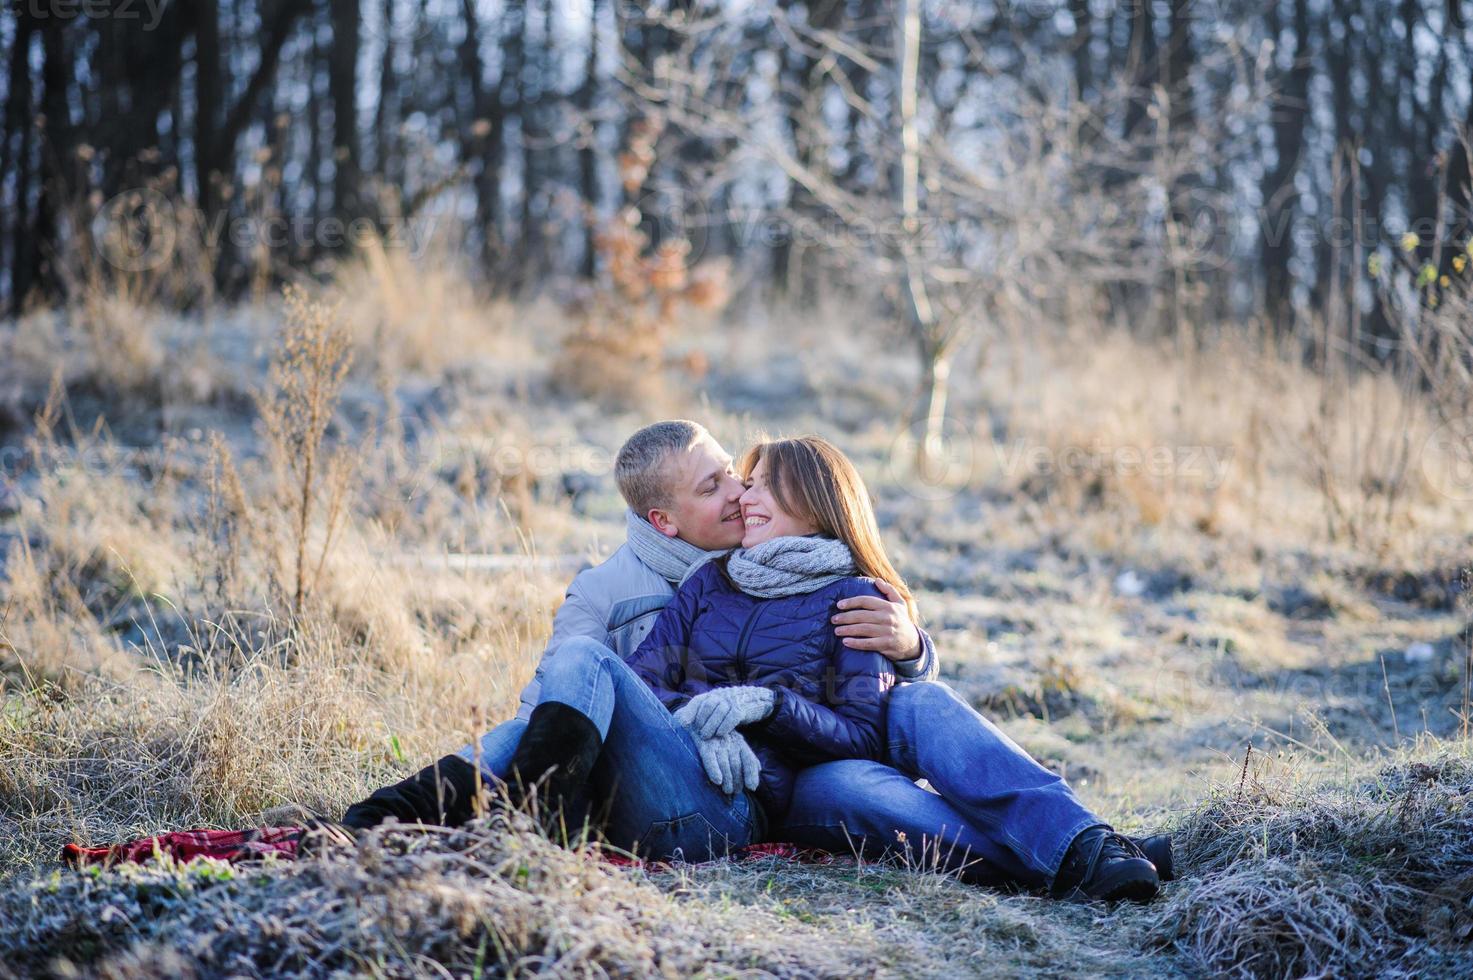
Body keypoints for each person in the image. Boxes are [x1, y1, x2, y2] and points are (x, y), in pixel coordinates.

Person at [333, 422, 1166, 902]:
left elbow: (869, 720)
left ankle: (1083, 850)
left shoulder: (851, 593)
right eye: (723, 486)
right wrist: (704, 720)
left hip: (789, 779)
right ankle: (467, 822)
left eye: (750, 479)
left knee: (914, 712)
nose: (740, 495)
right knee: (587, 661)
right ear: (666, 519)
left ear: (815, 504)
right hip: (680, 781)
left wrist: (892, 653)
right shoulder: (664, 588)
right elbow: (564, 701)